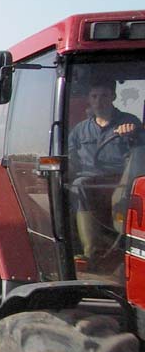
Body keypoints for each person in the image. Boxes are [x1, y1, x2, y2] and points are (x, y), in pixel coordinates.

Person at [68, 79, 143, 266]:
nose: (99, 100)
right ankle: (90, 251)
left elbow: (141, 151)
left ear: (114, 97)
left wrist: (132, 135)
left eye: (104, 96)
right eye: (94, 96)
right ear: (88, 99)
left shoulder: (130, 122)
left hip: (121, 180)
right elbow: (70, 158)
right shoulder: (80, 130)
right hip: (90, 181)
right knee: (77, 186)